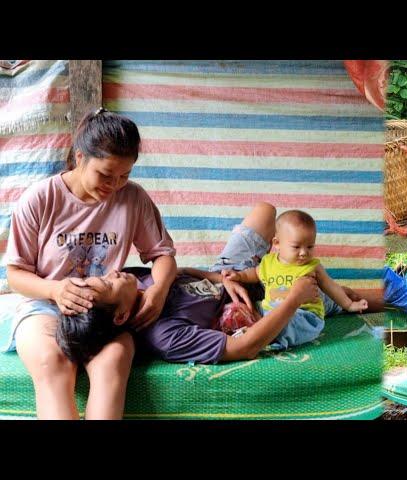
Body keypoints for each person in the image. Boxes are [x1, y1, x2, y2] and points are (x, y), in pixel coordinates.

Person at [3, 108, 177, 420]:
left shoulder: (133, 198)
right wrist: (56, 290)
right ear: (80, 157)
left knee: (114, 360)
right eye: (106, 174)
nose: (115, 185)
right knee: (52, 362)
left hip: (104, 311)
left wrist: (159, 290)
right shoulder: (41, 199)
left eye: (124, 175)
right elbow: (15, 275)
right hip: (45, 305)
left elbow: (162, 255)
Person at [55, 203, 383, 365]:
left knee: (265, 212)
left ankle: (275, 265)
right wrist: (294, 299)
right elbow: (243, 347)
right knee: (338, 296)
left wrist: (222, 277)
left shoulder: (134, 281)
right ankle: (399, 292)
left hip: (225, 277)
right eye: (105, 285)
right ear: (120, 316)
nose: (110, 274)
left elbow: (179, 270)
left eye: (99, 277)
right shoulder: (165, 336)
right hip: (249, 309)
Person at [183, 208, 370, 350]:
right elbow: (255, 274)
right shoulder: (269, 262)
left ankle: (268, 336)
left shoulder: (312, 266)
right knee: (250, 309)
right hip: (271, 311)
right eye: (297, 247)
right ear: (277, 244)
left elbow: (331, 287)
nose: (304, 253)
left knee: (284, 323)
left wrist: (349, 305)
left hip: (304, 316)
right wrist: (238, 275)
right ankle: (255, 327)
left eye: (310, 246)